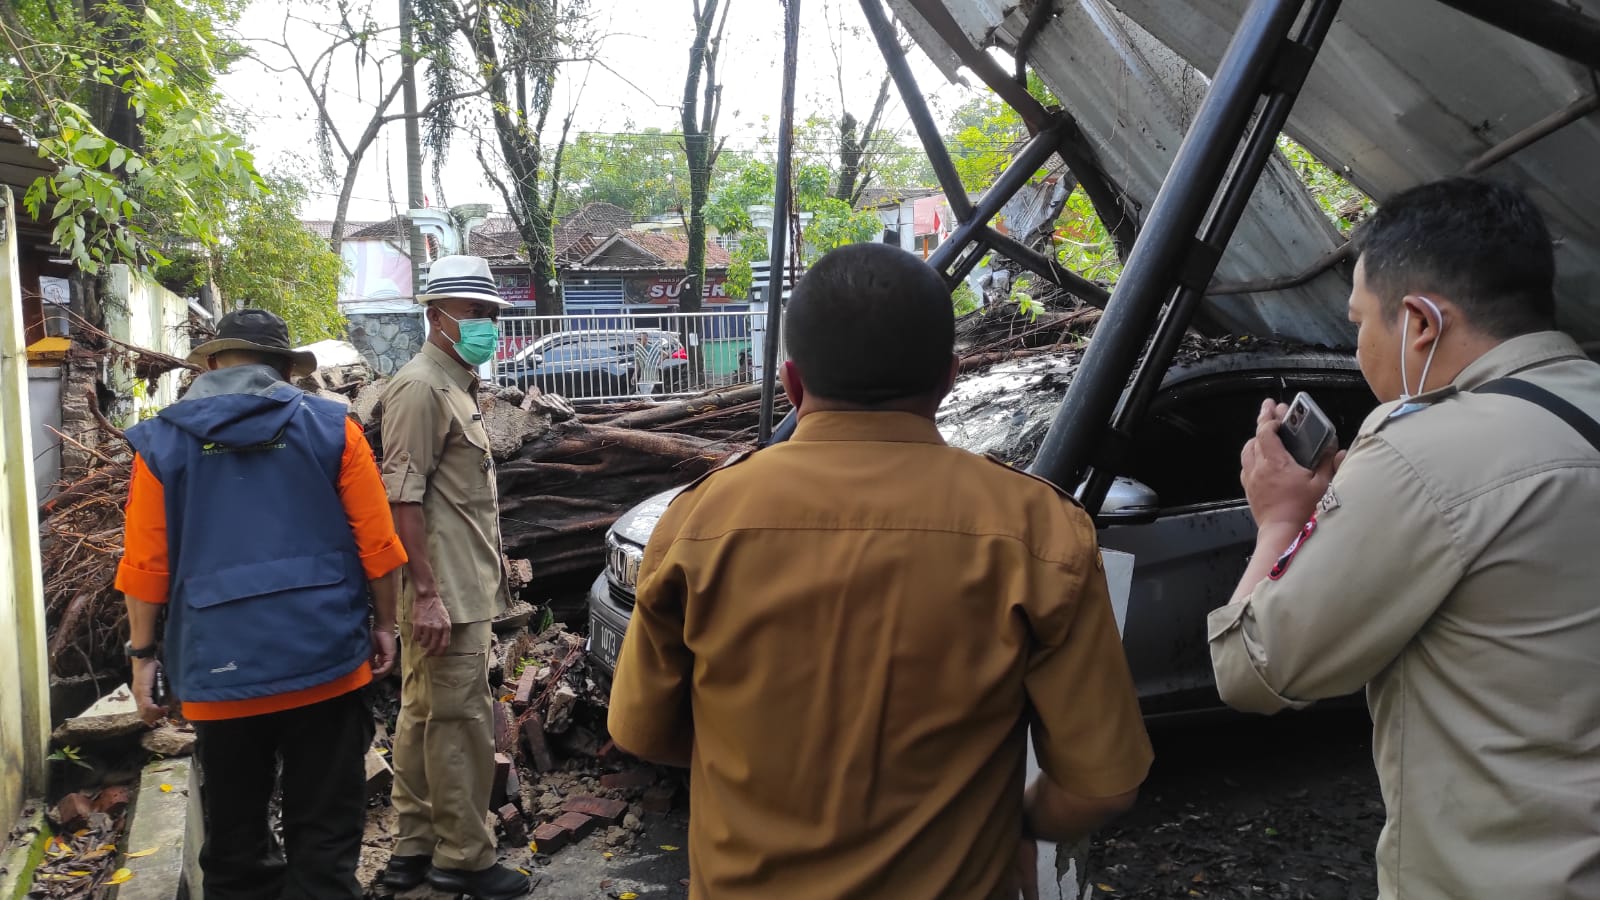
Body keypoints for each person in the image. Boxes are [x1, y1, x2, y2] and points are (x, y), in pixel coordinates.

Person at [608, 243, 1153, 899]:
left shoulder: (700, 521)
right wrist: (1015, 824)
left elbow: (641, 731)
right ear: (948, 378)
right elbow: (1102, 785)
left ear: (792, 385)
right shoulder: (1038, 529)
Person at [1209, 177, 1600, 900]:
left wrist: (1282, 521)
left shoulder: (1422, 450)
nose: (1359, 345)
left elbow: (1254, 670)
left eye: (1361, 321)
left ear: (1420, 322)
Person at [116, 308, 407, 899]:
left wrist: (143, 656)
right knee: (325, 837)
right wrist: (386, 624)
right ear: (285, 368)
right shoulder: (333, 428)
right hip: (326, 660)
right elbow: (378, 546)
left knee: (235, 842)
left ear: (213, 364)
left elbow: (147, 566)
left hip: (220, 670)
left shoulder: (163, 441)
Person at [376, 255, 527, 899]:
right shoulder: (422, 388)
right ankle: (463, 857)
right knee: (459, 720)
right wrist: (429, 595)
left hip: (454, 585)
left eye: (491, 312)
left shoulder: (453, 385)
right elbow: (402, 499)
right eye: (474, 312)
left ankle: (415, 846)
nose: (486, 323)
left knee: (423, 713)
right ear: (436, 316)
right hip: (445, 592)